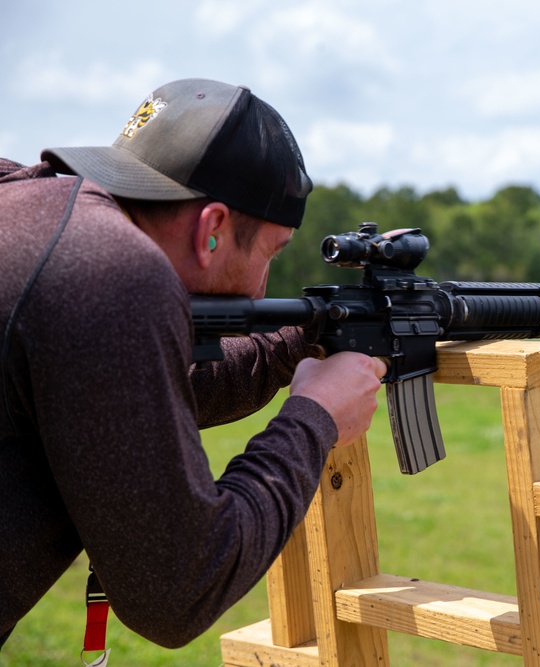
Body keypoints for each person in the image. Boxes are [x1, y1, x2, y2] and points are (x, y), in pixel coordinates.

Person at [0, 78, 387, 650]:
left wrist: (298, 344)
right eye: (270, 254)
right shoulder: (110, 273)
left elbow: (130, 392)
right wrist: (314, 417)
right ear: (212, 230)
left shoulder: (34, 214)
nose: (262, 288)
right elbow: (179, 591)